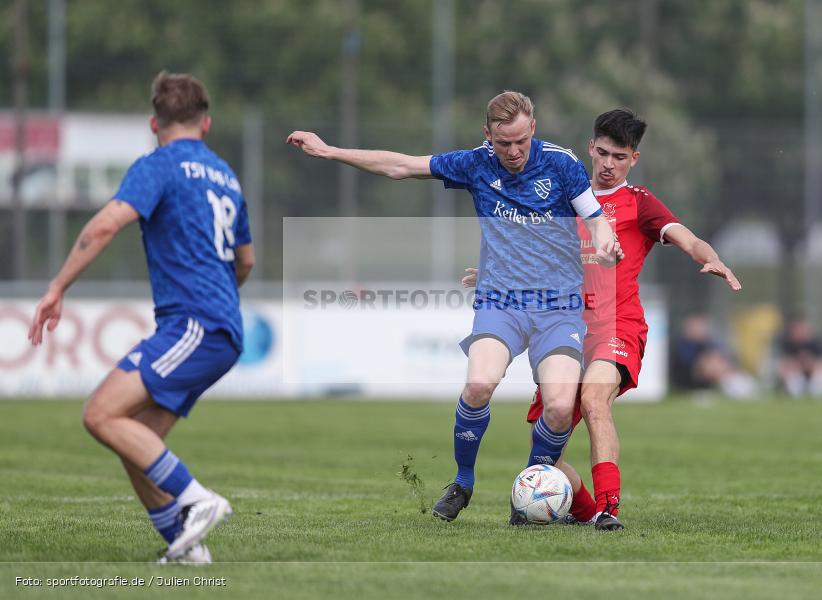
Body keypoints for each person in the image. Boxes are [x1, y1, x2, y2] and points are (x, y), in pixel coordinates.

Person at [287, 91, 622, 522]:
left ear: (533, 129)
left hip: (558, 306)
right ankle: (463, 482)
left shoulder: (560, 163)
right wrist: (330, 151)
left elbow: (593, 215)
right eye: (504, 144)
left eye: (521, 141)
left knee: (560, 407)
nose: (514, 152)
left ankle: (532, 484)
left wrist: (604, 237)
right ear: (488, 136)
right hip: (501, 301)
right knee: (479, 384)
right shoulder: (475, 163)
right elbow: (400, 166)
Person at [28, 71, 255, 563]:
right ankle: (184, 544)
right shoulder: (226, 176)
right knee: (136, 438)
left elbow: (107, 223)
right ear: (207, 124)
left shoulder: (159, 164)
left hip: (195, 323)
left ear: (155, 123)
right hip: (219, 327)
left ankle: (198, 500)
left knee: (99, 413)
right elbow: (247, 261)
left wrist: (57, 287)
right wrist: (218, 298)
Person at [507, 108, 742, 530]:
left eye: (619, 156)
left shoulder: (640, 203)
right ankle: (576, 509)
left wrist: (712, 258)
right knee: (548, 446)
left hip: (617, 326)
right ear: (590, 149)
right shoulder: (561, 198)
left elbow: (687, 237)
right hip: (563, 331)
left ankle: (607, 508)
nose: (609, 164)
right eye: (602, 153)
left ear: (633, 159)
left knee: (595, 399)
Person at [671, 313, 757, 399]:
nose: (701, 329)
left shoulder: (708, 343)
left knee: (715, 360)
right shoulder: (684, 345)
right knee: (710, 363)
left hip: (709, 378)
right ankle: (735, 385)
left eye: (702, 326)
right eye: (697, 327)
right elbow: (690, 364)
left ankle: (735, 381)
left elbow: (720, 355)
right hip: (688, 380)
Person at [776, 316, 822, 397]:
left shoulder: (817, 343)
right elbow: (785, 364)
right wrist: (798, 365)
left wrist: (809, 364)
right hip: (797, 373)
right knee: (790, 375)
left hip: (814, 373)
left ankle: (816, 394)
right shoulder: (787, 344)